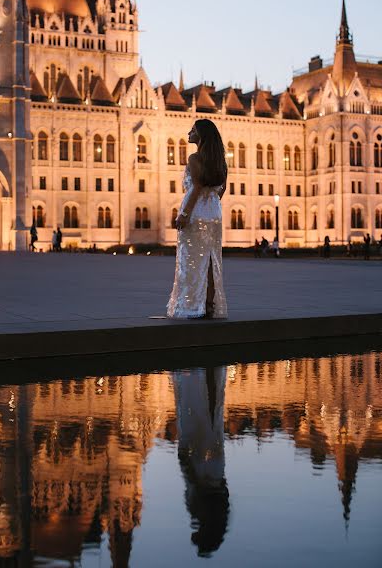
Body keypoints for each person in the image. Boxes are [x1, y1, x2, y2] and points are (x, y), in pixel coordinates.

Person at [167, 119, 227, 319]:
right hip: (214, 212)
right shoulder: (220, 160)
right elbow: (221, 189)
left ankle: (193, 306)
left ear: (200, 135)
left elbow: (197, 188)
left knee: (191, 260)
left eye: (192, 131)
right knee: (211, 260)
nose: (188, 133)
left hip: (196, 212)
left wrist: (185, 214)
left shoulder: (195, 158)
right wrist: (211, 205)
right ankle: (210, 306)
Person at [173, 366, 229, 557]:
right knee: (200, 410)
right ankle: (204, 372)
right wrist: (184, 460)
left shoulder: (214, 507)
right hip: (205, 463)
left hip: (212, 465)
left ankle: (207, 372)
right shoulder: (204, 509)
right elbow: (193, 476)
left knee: (207, 412)